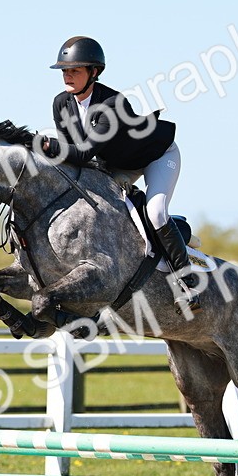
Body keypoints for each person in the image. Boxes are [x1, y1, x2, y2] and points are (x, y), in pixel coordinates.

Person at [40, 36, 200, 312]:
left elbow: (81, 153)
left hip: (156, 156)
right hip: (115, 162)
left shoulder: (113, 104)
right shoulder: (61, 104)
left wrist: (45, 146)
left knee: (156, 212)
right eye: (65, 71)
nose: (68, 76)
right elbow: (71, 158)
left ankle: (187, 280)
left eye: (75, 70)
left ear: (94, 72)